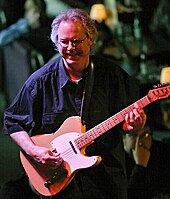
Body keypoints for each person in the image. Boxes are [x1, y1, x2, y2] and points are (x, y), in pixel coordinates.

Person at [1, 8, 146, 199]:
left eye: (76, 41)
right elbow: (12, 122)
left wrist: (135, 125)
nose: (70, 48)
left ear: (91, 40)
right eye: (64, 42)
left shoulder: (113, 76)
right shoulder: (41, 81)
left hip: (107, 182)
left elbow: (129, 124)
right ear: (56, 42)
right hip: (61, 184)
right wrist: (34, 151)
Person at [123, 126, 170, 199]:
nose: (140, 142)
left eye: (145, 135)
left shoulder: (163, 153)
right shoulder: (115, 162)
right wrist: (140, 166)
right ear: (124, 138)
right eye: (134, 135)